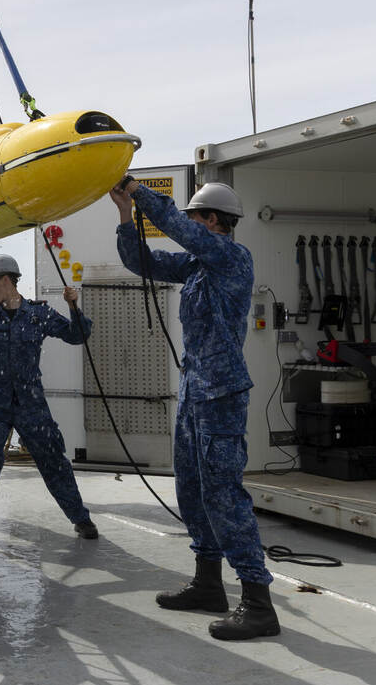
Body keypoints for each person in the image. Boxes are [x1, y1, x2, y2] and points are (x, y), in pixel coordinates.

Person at [111, 177, 279, 641]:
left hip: (221, 394)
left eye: (195, 216)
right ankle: (208, 583)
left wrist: (138, 190)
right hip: (194, 390)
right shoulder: (198, 266)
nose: (188, 223)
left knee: (223, 494)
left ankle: (258, 603)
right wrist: (125, 214)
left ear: (213, 220)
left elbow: (178, 229)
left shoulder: (232, 257)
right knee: (191, 489)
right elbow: (141, 262)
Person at [0, 254, 98, 544]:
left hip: (30, 403)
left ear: (6, 280)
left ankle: (80, 518)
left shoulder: (39, 314)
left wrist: (73, 306)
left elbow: (77, 335)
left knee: (53, 460)